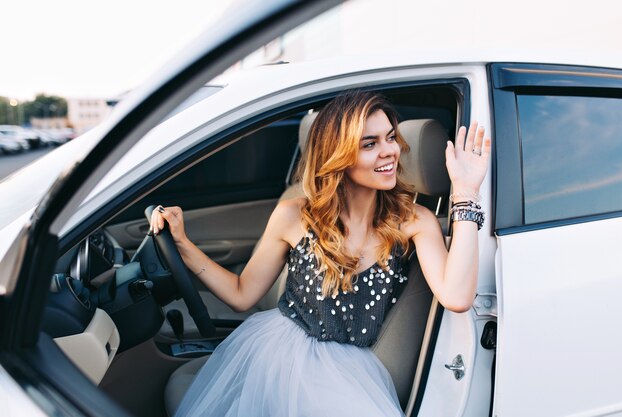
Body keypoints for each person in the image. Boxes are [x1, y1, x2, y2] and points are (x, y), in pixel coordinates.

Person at [150, 91, 490, 417]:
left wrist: (465, 192)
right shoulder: (293, 214)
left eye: (390, 137)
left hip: (351, 374)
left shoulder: (414, 221)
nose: (389, 151)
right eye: (369, 144)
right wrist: (182, 244)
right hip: (277, 353)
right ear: (338, 155)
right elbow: (242, 294)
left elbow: (457, 296)